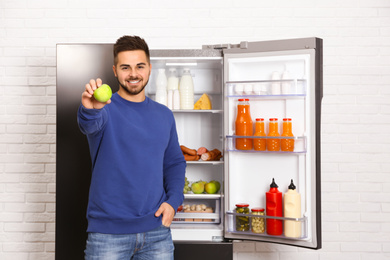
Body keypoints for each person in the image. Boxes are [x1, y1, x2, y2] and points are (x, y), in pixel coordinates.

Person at [77, 35, 186, 260]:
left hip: (157, 233)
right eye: (125, 67)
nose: (133, 74)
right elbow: (88, 124)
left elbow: (174, 162)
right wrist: (90, 108)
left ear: (149, 68)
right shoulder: (103, 109)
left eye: (140, 66)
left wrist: (173, 202)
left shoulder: (164, 115)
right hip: (107, 235)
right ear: (115, 70)